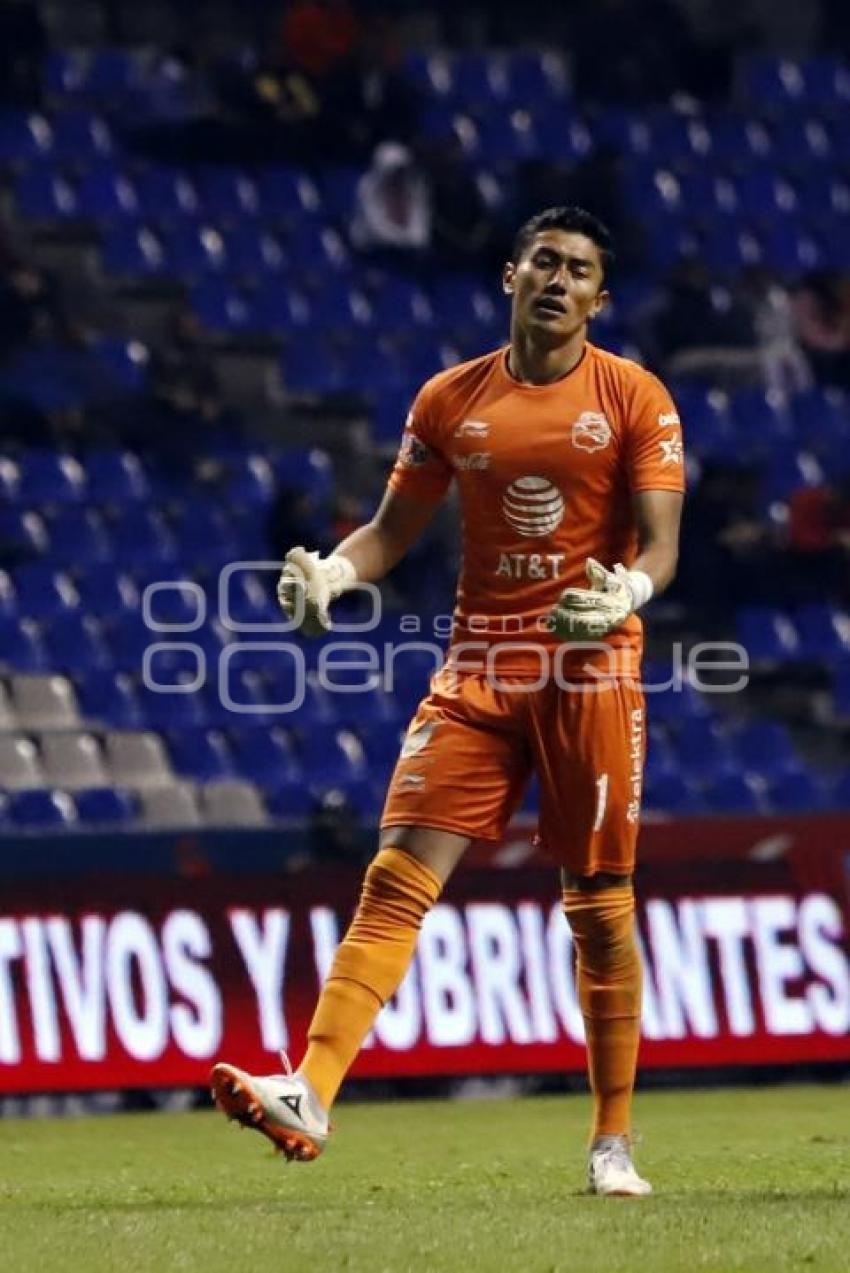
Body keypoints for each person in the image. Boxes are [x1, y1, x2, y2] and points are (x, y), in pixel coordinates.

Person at [211, 206, 685, 1197]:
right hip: (475, 668)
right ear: (509, 273)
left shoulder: (634, 396)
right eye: (543, 262)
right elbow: (392, 529)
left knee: (597, 908)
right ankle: (310, 1089)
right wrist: (337, 576)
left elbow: (660, 539)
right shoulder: (448, 399)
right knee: (394, 875)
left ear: (601, 298)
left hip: (587, 667)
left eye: (579, 270)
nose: (557, 281)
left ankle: (611, 1143)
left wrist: (627, 593)